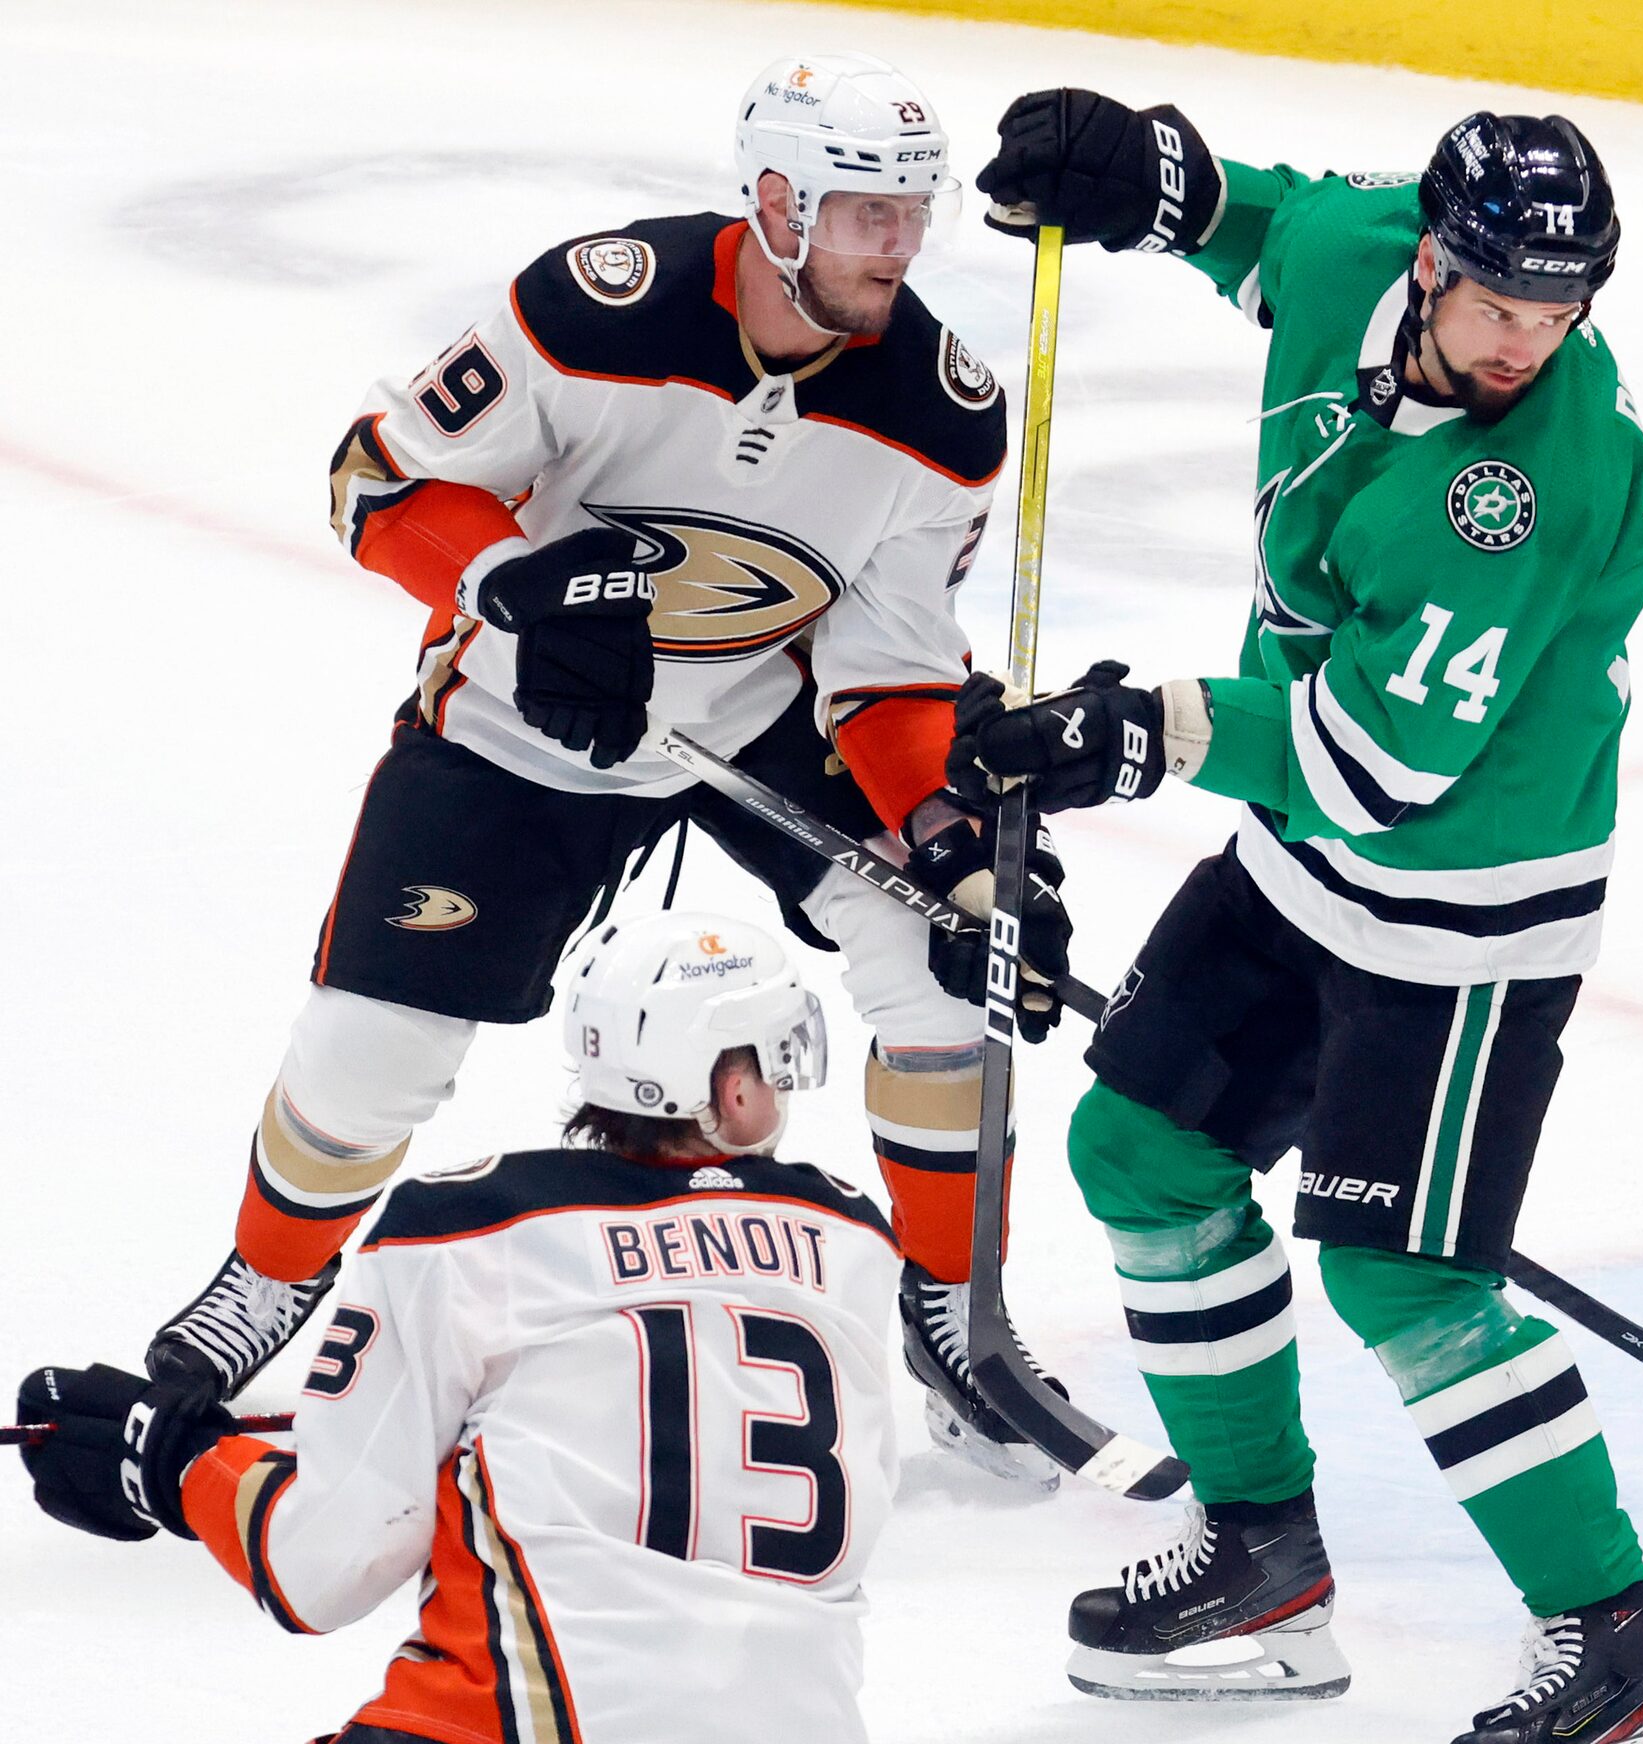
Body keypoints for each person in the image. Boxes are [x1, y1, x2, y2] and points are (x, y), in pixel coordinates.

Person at [147, 51, 1076, 1485]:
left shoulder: (941, 413)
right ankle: (268, 1277)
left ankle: (957, 1305)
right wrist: (513, 586)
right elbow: (377, 481)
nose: (895, 245)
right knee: (375, 1043)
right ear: (772, 201)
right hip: (541, 708)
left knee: (939, 950)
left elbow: (886, 674)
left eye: (911, 211)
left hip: (769, 709)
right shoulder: (596, 306)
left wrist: (946, 836)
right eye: (860, 212)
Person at [954, 95, 1643, 1744]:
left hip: (1463, 910)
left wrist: (1147, 730)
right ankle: (1260, 1555)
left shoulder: (1534, 484)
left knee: (1405, 1282)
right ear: (1433, 259)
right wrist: (1146, 179)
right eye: (1503, 300)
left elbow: (1379, 768)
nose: (1531, 338)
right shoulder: (1363, 249)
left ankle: (1618, 1663)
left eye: (1563, 308)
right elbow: (1259, 223)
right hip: (1298, 863)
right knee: (1138, 1145)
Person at [19, 912, 900, 1744]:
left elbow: (326, 1564)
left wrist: (174, 1463)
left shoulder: (468, 1229)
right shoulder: (853, 1242)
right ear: (732, 1089)